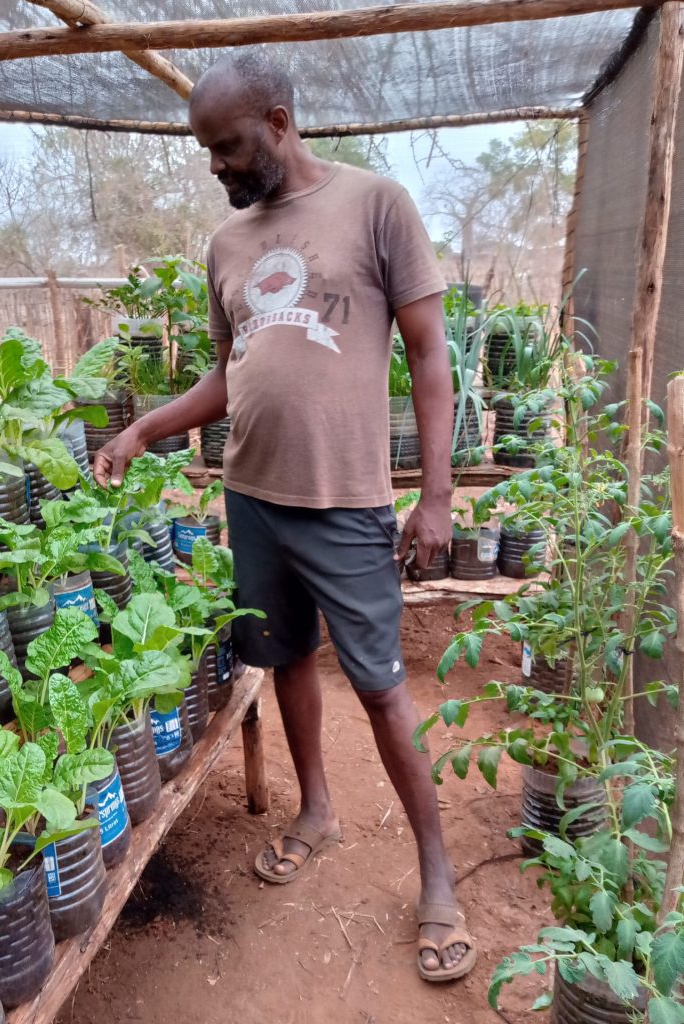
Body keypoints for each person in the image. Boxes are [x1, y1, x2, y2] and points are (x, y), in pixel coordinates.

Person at [95, 50, 475, 983]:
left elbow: (430, 356)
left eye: (225, 146)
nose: (215, 166)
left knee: (382, 687)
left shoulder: (375, 204)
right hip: (252, 496)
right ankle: (316, 809)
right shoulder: (225, 248)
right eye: (204, 153)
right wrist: (144, 429)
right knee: (284, 657)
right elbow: (230, 372)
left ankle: (436, 876)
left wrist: (435, 493)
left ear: (276, 121)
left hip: (345, 502)